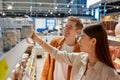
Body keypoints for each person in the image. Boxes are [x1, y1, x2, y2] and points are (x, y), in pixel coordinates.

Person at [31, 24, 120, 80]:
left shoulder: (110, 75)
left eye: (83, 37)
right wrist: (36, 39)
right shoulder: (80, 58)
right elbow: (57, 54)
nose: (79, 40)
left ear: (93, 41)